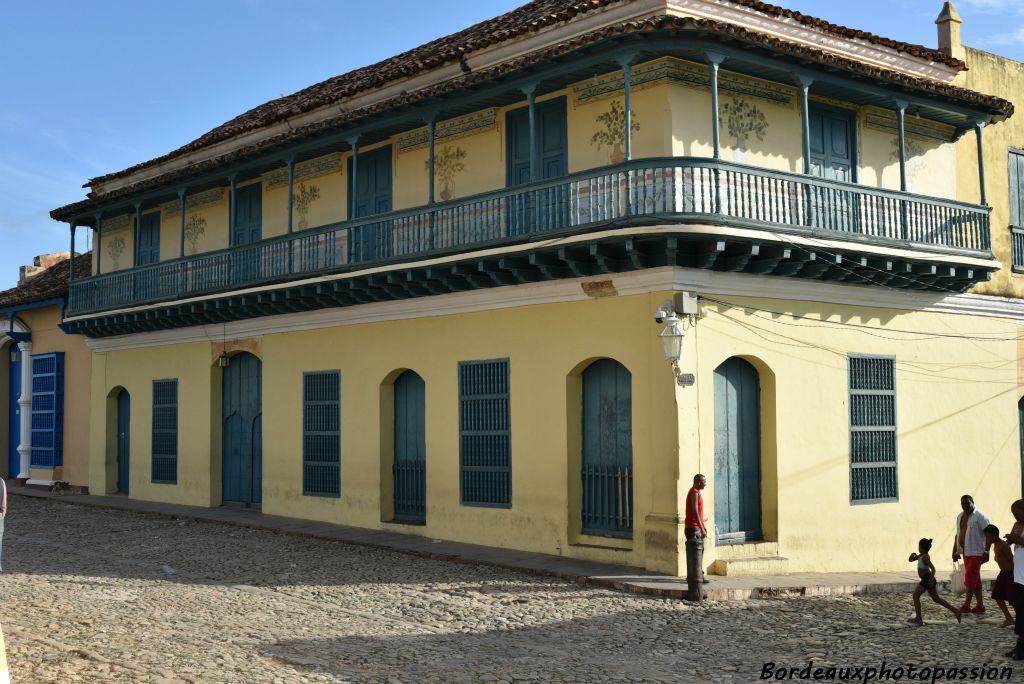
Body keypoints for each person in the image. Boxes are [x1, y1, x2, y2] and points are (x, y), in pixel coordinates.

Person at [908, 538, 961, 625]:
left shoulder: (925, 557)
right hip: (927, 579)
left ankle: (919, 618)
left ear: (921, 547)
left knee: (915, 595)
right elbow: (910, 560)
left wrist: (930, 580)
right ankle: (955, 611)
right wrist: (911, 556)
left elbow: (933, 569)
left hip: (927, 578)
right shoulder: (921, 555)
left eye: (919, 546)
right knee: (936, 599)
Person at [952, 494, 990, 613]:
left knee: (969, 578)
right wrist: (955, 550)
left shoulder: (980, 516)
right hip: (965, 552)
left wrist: (987, 550)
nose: (965, 505)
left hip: (977, 552)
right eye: (962, 503)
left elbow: (989, 534)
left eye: (967, 503)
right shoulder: (959, 516)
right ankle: (980, 605)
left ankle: (966, 605)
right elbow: (957, 534)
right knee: (975, 579)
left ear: (973, 502)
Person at [1003, 500, 1024, 659]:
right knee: (1019, 611)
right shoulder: (1017, 525)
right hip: (1018, 576)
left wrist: (1017, 540)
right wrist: (1008, 540)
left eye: (1017, 512)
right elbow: (1012, 540)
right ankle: (1019, 645)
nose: (1015, 516)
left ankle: (1021, 647)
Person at [684, 473, 709, 599]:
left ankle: (699, 574)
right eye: (704, 482)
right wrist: (701, 527)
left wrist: (703, 527)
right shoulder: (694, 492)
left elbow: (698, 512)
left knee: (699, 552)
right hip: (693, 528)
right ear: (698, 482)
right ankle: (696, 578)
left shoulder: (697, 492)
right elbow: (694, 511)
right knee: (696, 553)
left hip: (696, 527)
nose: (705, 484)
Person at [984, 524, 1015, 627]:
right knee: (997, 595)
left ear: (995, 535)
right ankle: (1008, 618)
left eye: (988, 537)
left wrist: (1015, 575)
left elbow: (1011, 559)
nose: (987, 539)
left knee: (1013, 599)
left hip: (1010, 574)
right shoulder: (995, 545)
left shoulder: (1003, 545)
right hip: (1003, 574)